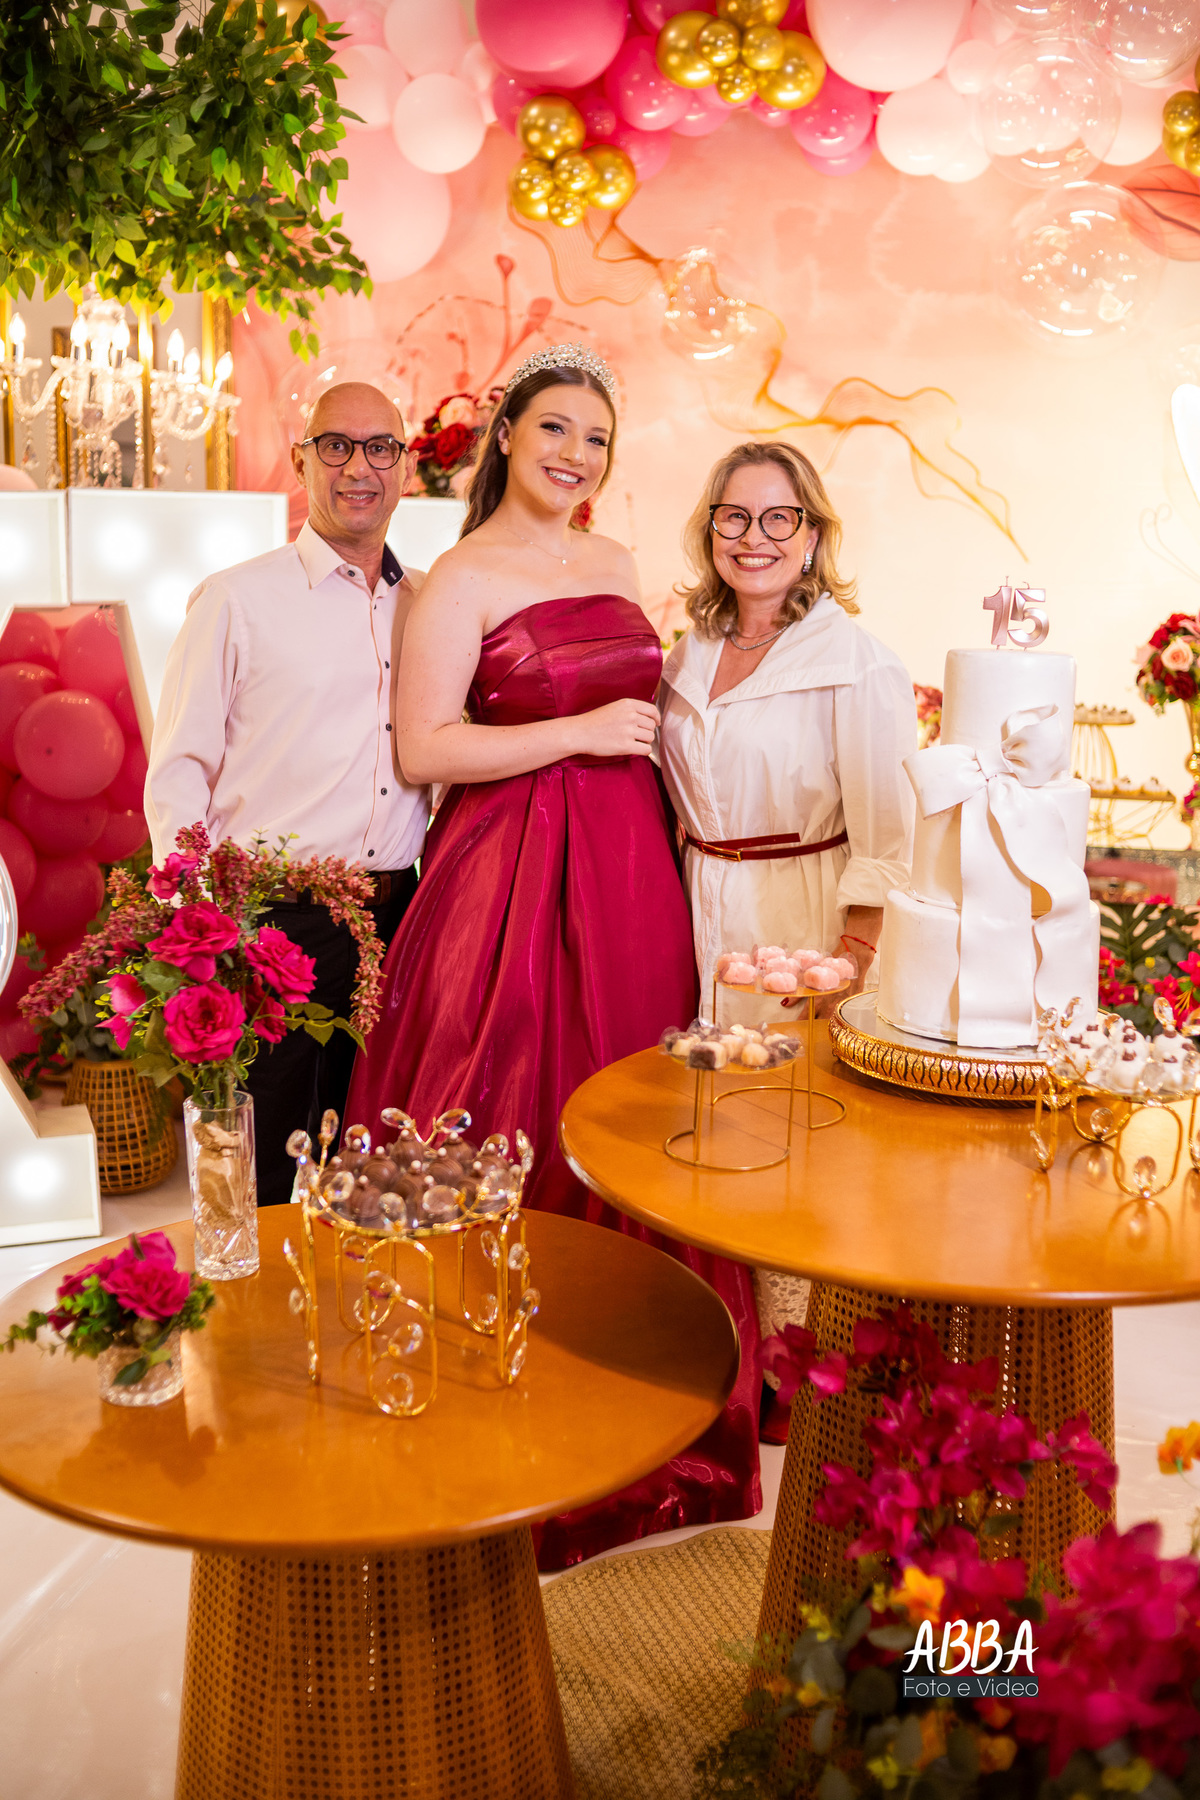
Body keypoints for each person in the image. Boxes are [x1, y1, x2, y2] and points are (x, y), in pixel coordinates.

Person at [345, 344, 761, 1568]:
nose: (576, 455)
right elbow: (424, 750)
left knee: (634, 1105)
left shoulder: (618, 562)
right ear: (508, 438)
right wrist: (575, 729)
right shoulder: (457, 579)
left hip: (629, 866)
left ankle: (652, 1390)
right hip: (509, 874)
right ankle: (507, 1396)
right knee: (513, 1093)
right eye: (555, 430)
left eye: (597, 439)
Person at [658, 440, 915, 1436]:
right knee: (712, 1132)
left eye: (778, 518)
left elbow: (890, 837)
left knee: (793, 1144)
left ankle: (801, 1380)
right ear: (710, 530)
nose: (754, 538)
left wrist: (849, 961)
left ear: (812, 536)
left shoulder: (856, 662)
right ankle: (730, 1355)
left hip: (801, 911)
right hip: (699, 902)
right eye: (734, 516)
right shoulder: (686, 651)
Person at [146, 382, 428, 1204]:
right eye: (337, 445)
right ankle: (255, 1291)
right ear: (302, 461)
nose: (360, 467)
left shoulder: (429, 604)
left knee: (377, 1159)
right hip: (275, 926)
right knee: (264, 1162)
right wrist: (198, 934)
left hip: (401, 920)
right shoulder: (236, 599)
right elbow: (178, 772)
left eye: (381, 448)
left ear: (406, 467)